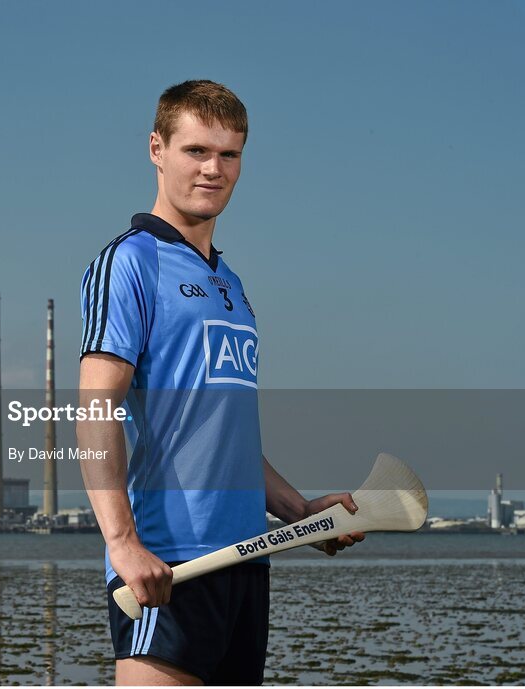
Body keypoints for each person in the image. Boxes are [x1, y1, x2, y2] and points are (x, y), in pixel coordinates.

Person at [77, 80, 362, 685]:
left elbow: (222, 436)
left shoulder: (231, 284)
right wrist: (123, 544)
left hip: (245, 560)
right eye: (196, 151)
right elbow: (94, 408)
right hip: (166, 563)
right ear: (157, 149)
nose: (213, 169)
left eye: (228, 155)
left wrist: (300, 511)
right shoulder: (129, 262)